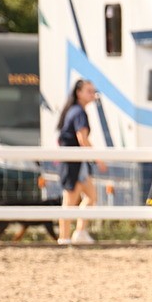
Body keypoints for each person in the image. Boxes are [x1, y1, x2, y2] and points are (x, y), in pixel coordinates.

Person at [56, 79, 107, 245]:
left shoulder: (74, 111)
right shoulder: (79, 113)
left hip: (77, 163)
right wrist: (98, 158)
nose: (93, 94)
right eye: (89, 91)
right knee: (71, 200)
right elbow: (82, 139)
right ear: (79, 93)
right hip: (75, 163)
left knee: (91, 197)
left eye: (93, 91)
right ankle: (65, 237)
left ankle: (79, 232)